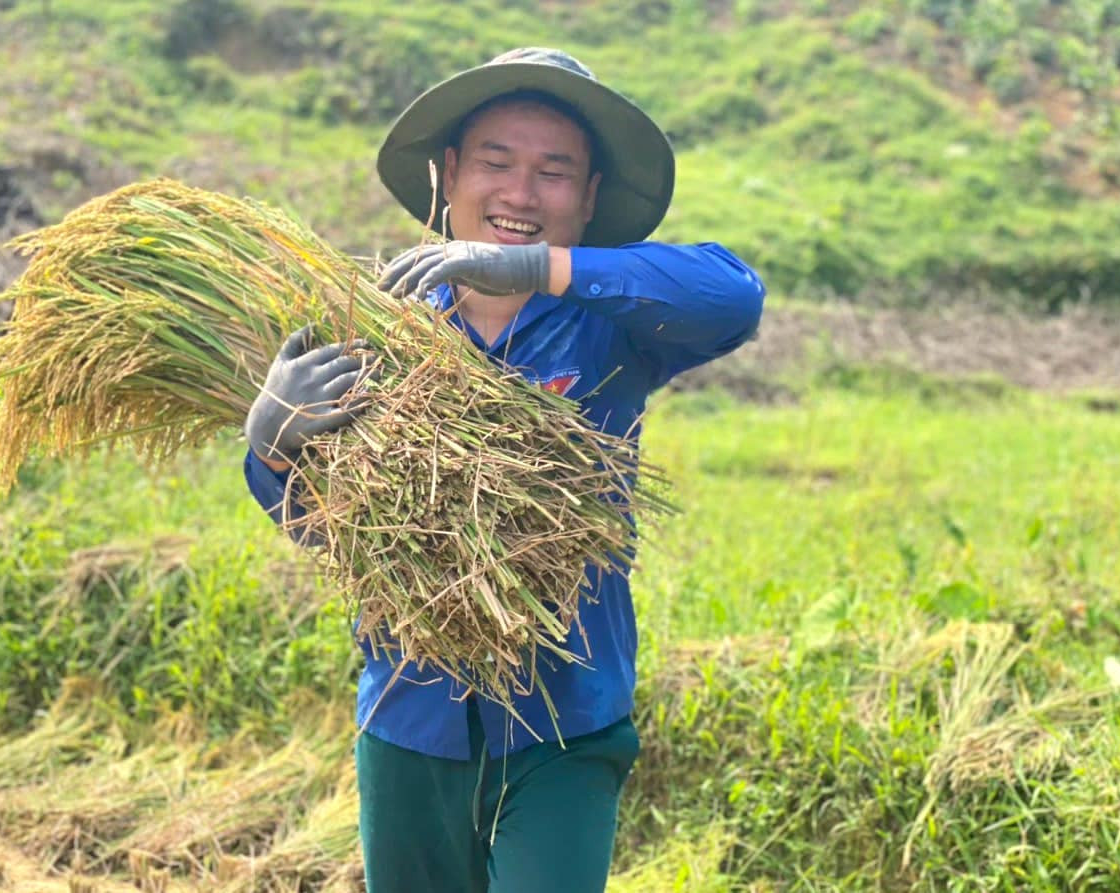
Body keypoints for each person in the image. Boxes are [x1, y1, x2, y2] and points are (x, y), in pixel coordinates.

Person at [243, 47, 765, 893]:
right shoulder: (377, 332)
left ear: (589, 198)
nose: (521, 195)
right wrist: (269, 440)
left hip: (568, 720)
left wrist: (534, 266)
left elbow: (735, 297)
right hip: (410, 716)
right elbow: (320, 527)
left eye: (555, 173)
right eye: (496, 162)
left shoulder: (607, 327)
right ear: (447, 174)